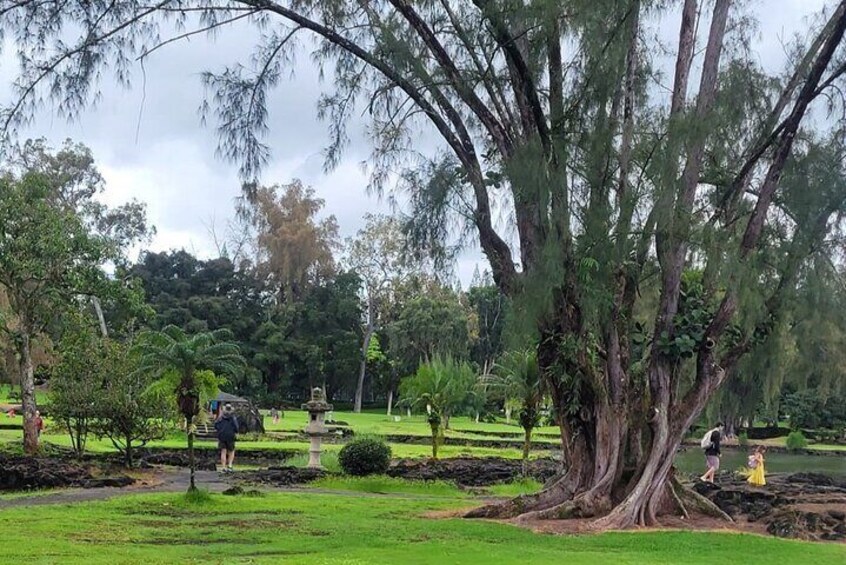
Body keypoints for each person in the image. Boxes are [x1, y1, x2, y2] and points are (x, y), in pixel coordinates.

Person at [214, 403, 240, 473]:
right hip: (230, 436)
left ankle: (223, 467)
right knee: (231, 451)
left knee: (223, 451)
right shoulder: (233, 418)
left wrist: (220, 430)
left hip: (222, 436)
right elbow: (236, 427)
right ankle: (230, 466)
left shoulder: (220, 417)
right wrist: (236, 432)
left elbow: (216, 425)